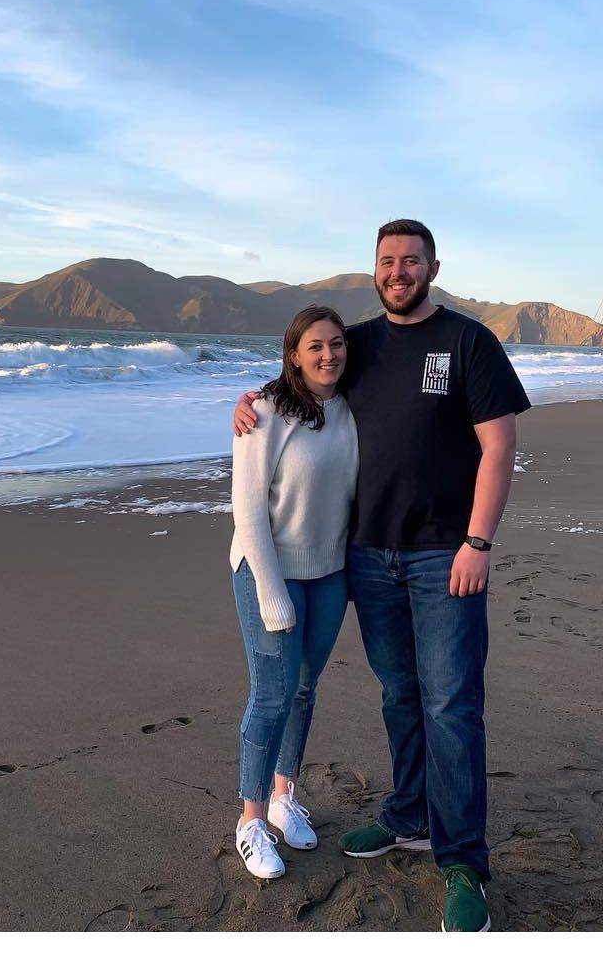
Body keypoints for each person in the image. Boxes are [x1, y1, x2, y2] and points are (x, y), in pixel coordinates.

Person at [234, 219, 530, 930]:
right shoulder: (359, 343)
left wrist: (478, 542)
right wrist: (249, 402)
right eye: (388, 261)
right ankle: (408, 816)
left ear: (433, 266)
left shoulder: (468, 342)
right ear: (376, 269)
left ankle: (462, 861)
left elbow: (499, 446)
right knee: (399, 693)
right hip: (366, 556)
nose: (399, 271)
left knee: (452, 703)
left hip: (442, 556)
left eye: (411, 261)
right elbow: (303, 373)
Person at [229, 305, 359, 880]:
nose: (328, 354)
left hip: (330, 574)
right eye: (315, 346)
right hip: (268, 571)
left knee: (305, 690)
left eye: (336, 344)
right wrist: (271, 590)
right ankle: (251, 819)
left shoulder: (353, 408)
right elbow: (248, 508)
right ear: (293, 355)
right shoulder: (263, 413)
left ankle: (285, 797)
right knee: (272, 694)